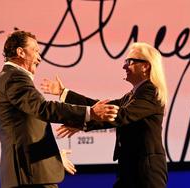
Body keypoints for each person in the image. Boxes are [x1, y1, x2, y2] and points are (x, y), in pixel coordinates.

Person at [0, 30, 119, 188]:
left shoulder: (8, 77)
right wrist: (89, 112)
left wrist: (53, 156)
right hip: (30, 176)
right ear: (20, 52)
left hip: (30, 173)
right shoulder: (15, 78)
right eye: (36, 51)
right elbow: (44, 108)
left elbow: (25, 130)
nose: (39, 57)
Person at [41, 42, 168, 188]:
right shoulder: (131, 95)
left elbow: (121, 116)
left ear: (145, 66)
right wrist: (64, 94)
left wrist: (84, 121)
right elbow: (101, 107)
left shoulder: (150, 92)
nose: (124, 66)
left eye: (129, 62)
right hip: (131, 167)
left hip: (146, 170)